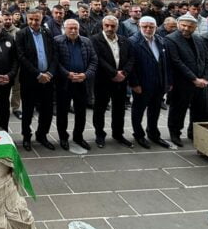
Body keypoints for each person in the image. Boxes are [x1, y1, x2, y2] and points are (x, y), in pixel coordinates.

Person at [165, 14, 208, 147]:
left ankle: (194, 133)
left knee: (200, 110)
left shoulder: (198, 39)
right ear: (178, 24)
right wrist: (194, 79)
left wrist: (206, 78)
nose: (186, 28)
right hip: (182, 82)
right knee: (178, 109)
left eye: (190, 26)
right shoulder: (171, 39)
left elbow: (207, 59)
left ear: (195, 27)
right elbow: (176, 62)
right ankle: (175, 133)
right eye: (184, 25)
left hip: (201, 82)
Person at [16, 8, 59, 151]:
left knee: (47, 110)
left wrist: (50, 73)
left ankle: (42, 135)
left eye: (37, 19)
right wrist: (38, 74)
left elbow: (54, 54)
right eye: (31, 19)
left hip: (48, 79)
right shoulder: (21, 34)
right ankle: (26, 137)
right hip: (30, 79)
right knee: (28, 110)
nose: (34, 22)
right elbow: (21, 56)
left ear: (42, 19)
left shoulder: (47, 33)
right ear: (27, 19)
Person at [55, 18, 98, 151]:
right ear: (64, 29)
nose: (73, 31)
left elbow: (94, 60)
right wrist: (67, 74)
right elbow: (55, 61)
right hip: (64, 83)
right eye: (70, 28)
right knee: (62, 112)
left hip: (82, 82)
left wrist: (85, 75)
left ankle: (78, 136)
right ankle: (63, 137)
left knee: (81, 112)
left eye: (76, 28)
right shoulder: (57, 41)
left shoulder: (86, 41)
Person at [91, 16, 134, 148]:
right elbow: (98, 59)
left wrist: (124, 73)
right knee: (100, 109)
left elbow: (131, 58)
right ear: (103, 25)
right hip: (103, 80)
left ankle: (118, 134)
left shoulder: (124, 40)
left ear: (117, 27)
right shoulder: (95, 39)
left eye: (113, 26)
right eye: (107, 25)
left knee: (119, 109)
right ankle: (100, 134)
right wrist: (114, 73)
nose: (110, 28)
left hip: (121, 81)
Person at [128, 17, 170, 148]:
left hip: (158, 83)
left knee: (155, 110)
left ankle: (153, 133)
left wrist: (167, 82)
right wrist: (134, 84)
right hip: (142, 84)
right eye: (145, 26)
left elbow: (166, 63)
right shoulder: (133, 42)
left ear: (156, 27)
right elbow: (130, 66)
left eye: (151, 27)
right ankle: (139, 134)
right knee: (138, 110)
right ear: (139, 27)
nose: (148, 29)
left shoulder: (161, 40)